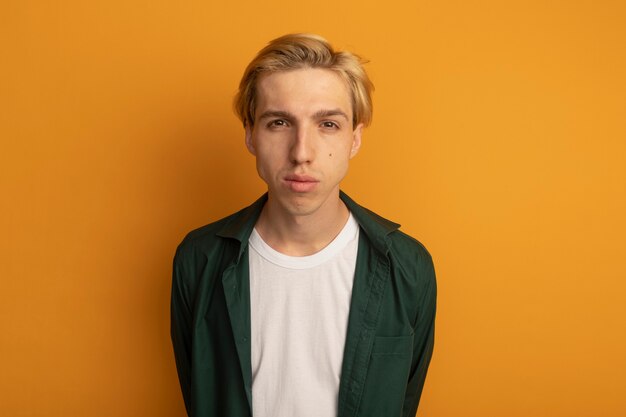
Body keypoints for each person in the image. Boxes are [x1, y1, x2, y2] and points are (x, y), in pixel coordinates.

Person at [171, 33, 436, 417]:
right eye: (279, 122)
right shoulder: (199, 260)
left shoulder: (408, 267)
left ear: (355, 138)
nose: (301, 153)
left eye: (327, 124)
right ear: (250, 134)